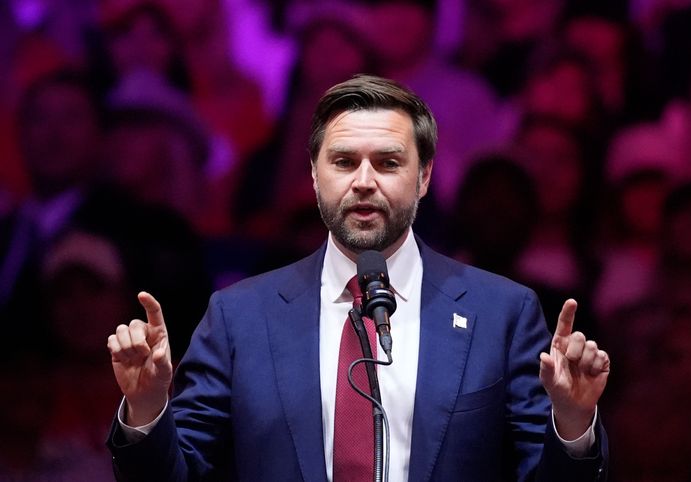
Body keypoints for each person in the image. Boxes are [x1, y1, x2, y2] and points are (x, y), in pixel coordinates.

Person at [107, 74, 610, 481]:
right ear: (313, 173)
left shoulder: (501, 313)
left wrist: (571, 423)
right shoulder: (239, 316)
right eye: (344, 161)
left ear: (425, 176)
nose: (364, 181)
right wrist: (148, 410)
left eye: (388, 163)